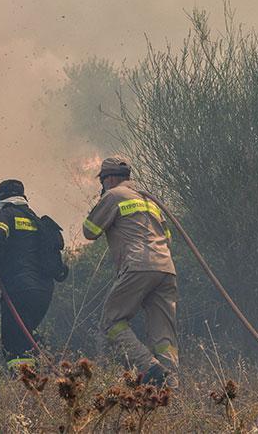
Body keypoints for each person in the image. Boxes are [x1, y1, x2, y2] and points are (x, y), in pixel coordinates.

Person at [82, 157, 179, 387]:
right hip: (166, 268)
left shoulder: (114, 195)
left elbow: (89, 231)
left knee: (111, 322)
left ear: (109, 179)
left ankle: (150, 366)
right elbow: (168, 238)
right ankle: (171, 385)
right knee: (163, 334)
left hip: (138, 266)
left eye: (102, 181)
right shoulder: (150, 200)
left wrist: (102, 203)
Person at [0, 179, 58, 371]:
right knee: (26, 335)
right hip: (43, 291)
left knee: (13, 343)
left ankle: (23, 381)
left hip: (19, 289)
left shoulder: (5, 215)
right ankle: (44, 372)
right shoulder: (34, 219)